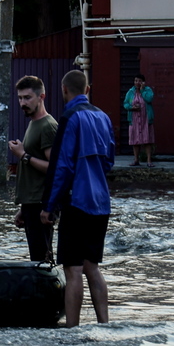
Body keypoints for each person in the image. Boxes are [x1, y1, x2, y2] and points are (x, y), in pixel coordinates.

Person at [41, 70, 115, 327]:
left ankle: (72, 329)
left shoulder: (69, 118)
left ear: (64, 90)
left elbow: (62, 166)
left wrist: (49, 206)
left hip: (76, 201)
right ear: (88, 89)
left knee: (72, 270)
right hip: (101, 201)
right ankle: (104, 324)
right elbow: (109, 160)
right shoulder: (103, 117)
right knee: (92, 266)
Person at [7, 76, 58, 262]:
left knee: (42, 261)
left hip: (41, 204)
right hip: (31, 203)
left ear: (41, 97)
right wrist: (23, 208)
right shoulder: (33, 124)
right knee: (37, 259)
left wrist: (23, 155)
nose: (22, 103)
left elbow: (55, 169)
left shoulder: (48, 126)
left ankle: (51, 291)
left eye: (27, 98)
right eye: (20, 98)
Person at [123, 73, 155, 167]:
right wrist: (131, 107)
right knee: (135, 140)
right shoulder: (130, 92)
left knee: (147, 139)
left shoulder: (147, 90)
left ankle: (149, 160)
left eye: (139, 81)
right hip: (134, 120)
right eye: (136, 81)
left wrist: (142, 91)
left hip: (146, 119)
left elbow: (149, 99)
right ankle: (136, 160)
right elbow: (125, 104)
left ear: (143, 82)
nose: (137, 83)